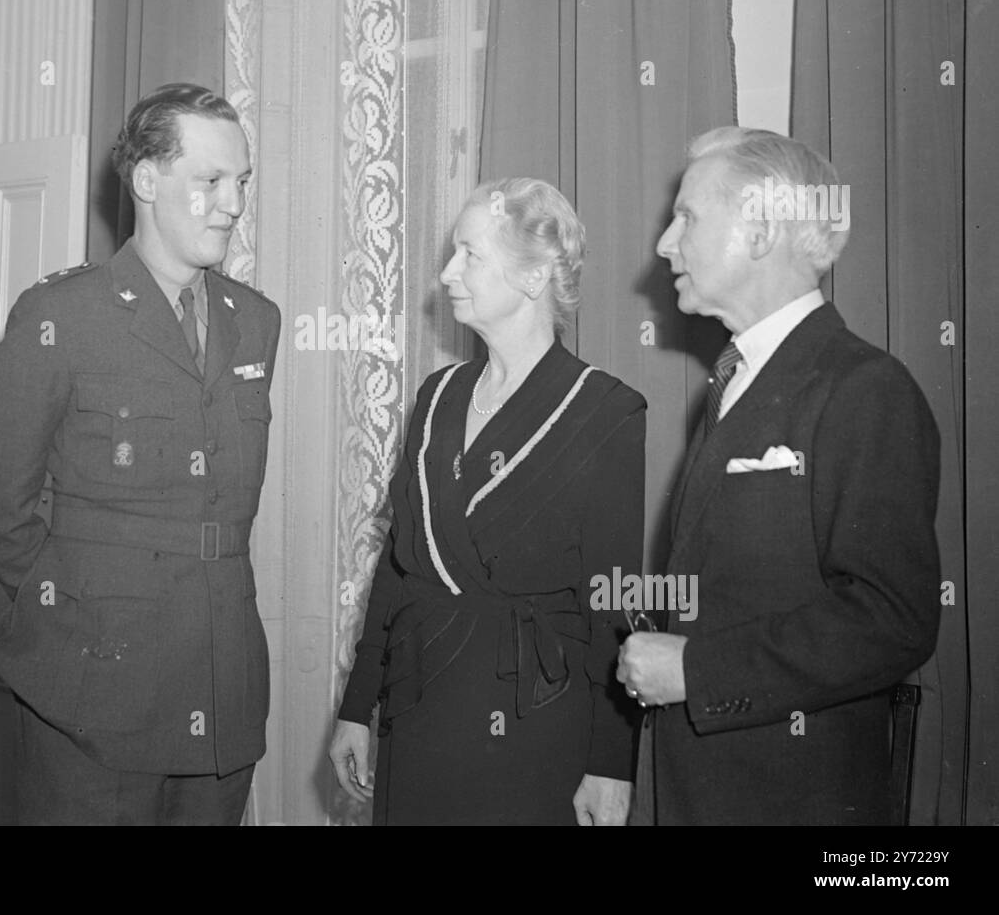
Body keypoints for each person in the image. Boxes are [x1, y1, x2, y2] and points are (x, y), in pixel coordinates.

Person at [0, 83, 280, 825]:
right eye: (210, 180)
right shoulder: (63, 317)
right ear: (146, 180)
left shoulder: (254, 323)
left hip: (221, 686)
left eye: (241, 181)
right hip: (92, 694)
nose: (232, 202)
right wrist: (78, 611)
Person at [622, 127, 941, 825]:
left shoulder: (865, 387)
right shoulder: (731, 384)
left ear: (761, 230)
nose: (666, 243)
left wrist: (696, 671)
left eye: (688, 217)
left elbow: (895, 618)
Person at [329, 178, 646, 825]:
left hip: (537, 724)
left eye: (469, 254)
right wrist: (357, 707)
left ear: (534, 276)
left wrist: (613, 763)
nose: (447, 274)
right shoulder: (439, 394)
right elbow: (398, 569)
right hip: (422, 711)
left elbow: (614, 600)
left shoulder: (602, 410)